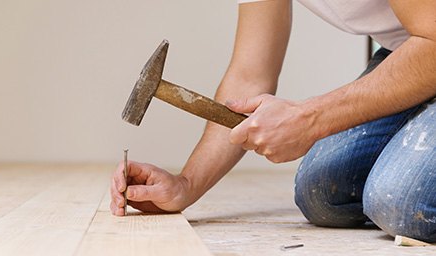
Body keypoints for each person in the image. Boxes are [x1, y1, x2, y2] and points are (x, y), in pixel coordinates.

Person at [110, 0, 436, 242]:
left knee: (399, 202)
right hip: (409, 50)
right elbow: (250, 77)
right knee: (323, 194)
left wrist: (311, 119)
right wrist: (186, 185)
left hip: (430, 47)